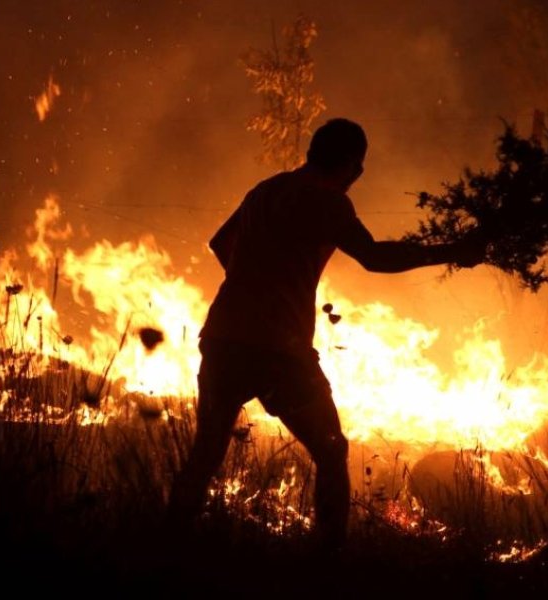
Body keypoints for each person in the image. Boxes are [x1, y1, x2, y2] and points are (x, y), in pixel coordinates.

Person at [166, 118, 485, 549]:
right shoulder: (328, 201)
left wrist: (257, 281)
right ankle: (329, 562)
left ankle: (167, 546)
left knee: (204, 455)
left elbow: (221, 243)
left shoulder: (267, 189)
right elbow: (374, 257)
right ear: (354, 167)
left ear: (313, 151)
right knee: (332, 452)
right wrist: (452, 251)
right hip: (279, 350)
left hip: (224, 337)